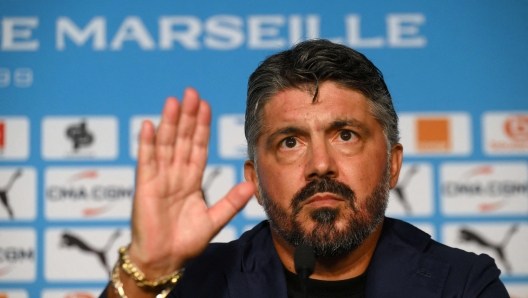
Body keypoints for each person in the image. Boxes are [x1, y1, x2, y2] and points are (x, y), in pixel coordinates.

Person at [101, 39, 509, 298]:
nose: (320, 165)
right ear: (255, 180)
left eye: (345, 135)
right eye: (290, 142)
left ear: (392, 165)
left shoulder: (462, 284)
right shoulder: (194, 284)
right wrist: (146, 274)